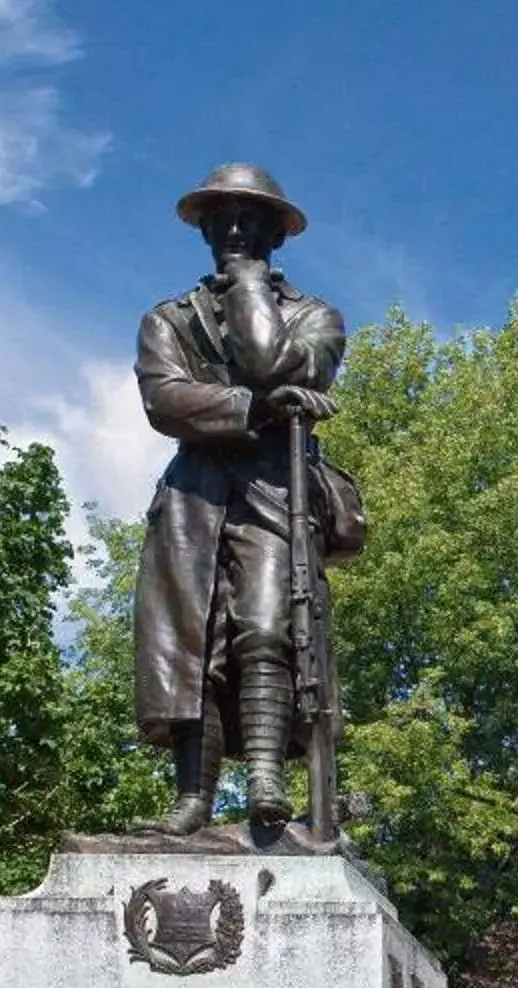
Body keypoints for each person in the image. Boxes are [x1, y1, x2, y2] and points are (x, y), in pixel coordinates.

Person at [130, 163, 358, 833]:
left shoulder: (314, 317)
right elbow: (165, 399)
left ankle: (265, 777)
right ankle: (193, 801)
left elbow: (271, 360)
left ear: (274, 234)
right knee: (191, 648)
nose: (232, 229)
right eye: (220, 218)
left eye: (249, 218)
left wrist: (251, 290)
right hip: (193, 499)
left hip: (277, 489)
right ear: (203, 229)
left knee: (268, 626)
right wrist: (256, 408)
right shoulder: (168, 318)